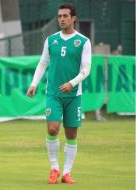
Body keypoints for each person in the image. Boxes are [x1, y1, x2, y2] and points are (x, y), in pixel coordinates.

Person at [27, 3, 91, 184]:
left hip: (74, 95)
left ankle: (67, 172)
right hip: (53, 94)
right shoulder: (51, 40)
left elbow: (86, 69)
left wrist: (72, 83)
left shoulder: (84, 41)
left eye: (65, 16)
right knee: (53, 128)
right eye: (59, 16)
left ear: (73, 18)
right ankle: (54, 168)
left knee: (71, 134)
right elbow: (42, 63)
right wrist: (34, 84)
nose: (62, 19)